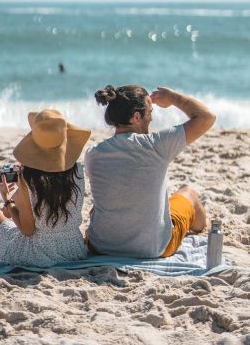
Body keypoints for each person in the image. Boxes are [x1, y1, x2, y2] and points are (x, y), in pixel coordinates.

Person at [85, 84, 216, 258]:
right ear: (136, 117)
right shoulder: (156, 145)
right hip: (152, 249)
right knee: (189, 194)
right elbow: (207, 117)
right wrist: (173, 97)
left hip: (100, 246)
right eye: (150, 113)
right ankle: (202, 226)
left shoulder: (93, 153)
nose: (152, 118)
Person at [0, 109, 91, 266]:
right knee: (7, 213)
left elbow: (27, 230)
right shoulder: (78, 170)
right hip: (74, 250)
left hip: (38, 255)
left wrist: (8, 199)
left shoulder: (29, 178)